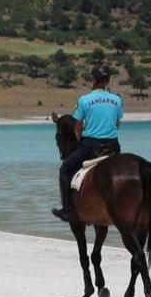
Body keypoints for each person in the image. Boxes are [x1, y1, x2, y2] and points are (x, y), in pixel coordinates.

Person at [52, 64, 123, 223]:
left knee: (64, 169)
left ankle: (66, 210)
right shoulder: (117, 100)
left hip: (91, 145)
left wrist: (81, 142)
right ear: (108, 80)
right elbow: (117, 125)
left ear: (93, 80)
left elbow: (78, 129)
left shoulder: (84, 100)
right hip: (114, 146)